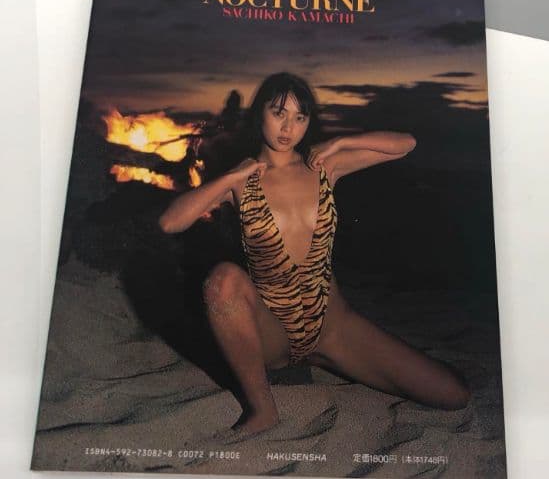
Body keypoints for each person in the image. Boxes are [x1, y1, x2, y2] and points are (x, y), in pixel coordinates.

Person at [159, 72, 471, 436]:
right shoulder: (242, 182)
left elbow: (406, 144)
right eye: (279, 113)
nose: (288, 127)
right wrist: (231, 177)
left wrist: (340, 142)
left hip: (333, 326)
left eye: (300, 117)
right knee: (223, 281)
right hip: (273, 334)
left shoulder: (322, 166)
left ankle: (323, 357)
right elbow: (170, 223)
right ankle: (262, 410)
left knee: (453, 395)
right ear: (260, 113)